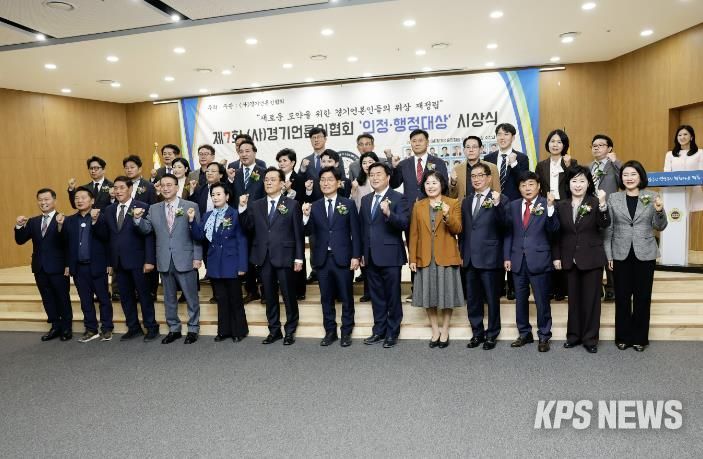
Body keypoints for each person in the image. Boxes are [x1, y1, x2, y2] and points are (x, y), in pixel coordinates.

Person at [604, 160, 668, 352]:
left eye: (633, 174)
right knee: (622, 297)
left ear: (640, 176)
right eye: (625, 175)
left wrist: (659, 210)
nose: (629, 178)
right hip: (620, 253)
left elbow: (660, 226)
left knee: (643, 297)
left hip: (645, 253)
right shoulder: (614, 198)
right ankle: (623, 337)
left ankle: (640, 338)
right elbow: (608, 229)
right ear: (621, 178)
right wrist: (609, 255)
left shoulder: (653, 196)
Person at [133, 174, 203, 345]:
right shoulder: (154, 208)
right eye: (163, 185)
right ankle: (174, 328)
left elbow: (196, 234)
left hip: (185, 258)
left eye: (169, 185)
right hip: (164, 259)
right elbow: (146, 229)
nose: (165, 188)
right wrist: (137, 219)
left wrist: (197, 257)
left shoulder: (190, 206)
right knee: (169, 298)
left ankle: (193, 328)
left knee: (191, 297)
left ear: (177, 187)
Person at [239, 167, 304, 345]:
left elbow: (298, 233)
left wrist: (299, 257)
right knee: (268, 296)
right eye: (266, 179)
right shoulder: (256, 204)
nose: (268, 182)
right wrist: (242, 208)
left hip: (285, 256)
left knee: (289, 296)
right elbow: (247, 227)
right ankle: (274, 330)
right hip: (263, 257)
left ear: (282, 184)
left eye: (272, 179)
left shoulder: (292, 204)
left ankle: (290, 330)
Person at [552, 166, 610, 353]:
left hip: (591, 258)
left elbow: (604, 224)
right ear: (568, 184)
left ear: (588, 183)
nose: (578, 185)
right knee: (574, 300)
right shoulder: (561, 205)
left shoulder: (595, 202)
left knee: (592, 301)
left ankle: (590, 339)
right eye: (574, 181)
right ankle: (573, 336)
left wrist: (603, 204)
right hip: (569, 258)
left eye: (582, 181)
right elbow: (556, 234)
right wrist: (556, 257)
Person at [302, 166, 361, 347]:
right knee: (326, 298)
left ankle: (346, 331)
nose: (325, 183)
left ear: (338, 183)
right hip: (322, 259)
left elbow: (355, 232)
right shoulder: (314, 206)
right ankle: (330, 331)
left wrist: (356, 256)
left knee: (346, 296)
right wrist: (305, 217)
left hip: (343, 257)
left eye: (329, 179)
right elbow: (307, 231)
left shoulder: (348, 204)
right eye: (322, 180)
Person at [388, 128, 448, 301]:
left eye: (420, 140)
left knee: (433, 249)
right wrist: (393, 168)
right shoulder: (404, 164)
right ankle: (417, 289)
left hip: (432, 211)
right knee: (413, 248)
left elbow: (443, 186)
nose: (417, 143)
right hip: (410, 213)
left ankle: (436, 288)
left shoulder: (438, 162)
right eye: (413, 141)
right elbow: (394, 183)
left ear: (427, 142)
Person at [503, 172, 559, 352]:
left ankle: (544, 335)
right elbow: (508, 233)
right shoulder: (513, 205)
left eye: (531, 184)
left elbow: (554, 230)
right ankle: (524, 333)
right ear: (519, 188)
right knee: (520, 300)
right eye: (523, 185)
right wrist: (507, 257)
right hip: (518, 259)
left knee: (542, 300)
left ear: (538, 186)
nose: (527, 188)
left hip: (539, 259)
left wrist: (550, 208)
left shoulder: (546, 204)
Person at [408, 171, 463, 348]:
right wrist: (412, 258)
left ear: (442, 185)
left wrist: (447, 215)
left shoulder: (452, 203)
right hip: (424, 256)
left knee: (447, 295)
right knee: (428, 294)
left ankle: (445, 330)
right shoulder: (419, 205)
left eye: (434, 182)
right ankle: (435, 330)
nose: (430, 186)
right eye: (427, 183)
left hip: (446, 255)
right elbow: (413, 233)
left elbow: (458, 229)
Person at [190, 183, 249, 342]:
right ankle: (224, 331)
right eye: (213, 195)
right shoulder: (207, 215)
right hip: (215, 263)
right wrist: (192, 221)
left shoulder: (235, 214)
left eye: (218, 194)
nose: (215, 197)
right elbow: (199, 236)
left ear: (227, 196)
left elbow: (242, 241)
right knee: (221, 298)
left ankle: (239, 331)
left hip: (232, 262)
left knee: (235, 299)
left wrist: (242, 266)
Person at [359, 162, 410, 348]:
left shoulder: (398, 197)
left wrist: (389, 213)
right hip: (370, 255)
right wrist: (361, 253)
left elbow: (404, 223)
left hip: (390, 255)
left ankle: (392, 332)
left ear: (388, 177)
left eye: (379, 174)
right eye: (372, 174)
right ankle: (379, 330)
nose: (374, 177)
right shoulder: (366, 199)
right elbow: (363, 229)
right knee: (376, 296)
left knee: (392, 296)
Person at [103, 176, 159, 342]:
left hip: (139, 260)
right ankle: (133, 327)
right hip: (118, 261)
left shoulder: (142, 206)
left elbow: (149, 235)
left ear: (130, 189)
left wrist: (149, 260)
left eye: (122, 187)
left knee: (144, 295)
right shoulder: (109, 210)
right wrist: (109, 262)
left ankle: (151, 327)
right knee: (125, 296)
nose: (118, 191)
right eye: (115, 188)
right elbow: (109, 238)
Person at [14, 189, 73, 341]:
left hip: (58, 267)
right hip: (39, 267)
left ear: (54, 201)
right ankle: (55, 326)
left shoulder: (63, 219)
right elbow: (20, 240)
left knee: (62, 297)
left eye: (46, 199)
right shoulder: (33, 221)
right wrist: (19, 226)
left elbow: (67, 243)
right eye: (40, 199)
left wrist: (68, 265)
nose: (43, 202)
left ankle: (66, 327)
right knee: (47, 298)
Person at [461, 163, 508, 350]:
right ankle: (477, 333)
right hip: (470, 258)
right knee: (473, 299)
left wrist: (497, 205)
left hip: (490, 257)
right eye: (473, 176)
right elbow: (465, 231)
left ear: (489, 178)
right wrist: (462, 253)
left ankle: (492, 334)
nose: (476, 179)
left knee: (492, 298)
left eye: (481, 175)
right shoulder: (466, 201)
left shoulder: (500, 198)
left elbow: (506, 225)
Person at [59, 187, 113, 343]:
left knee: (103, 298)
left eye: (83, 197)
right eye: (77, 198)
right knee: (85, 300)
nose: (79, 200)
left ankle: (107, 328)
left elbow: (107, 239)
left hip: (98, 265)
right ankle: (91, 329)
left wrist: (109, 263)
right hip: (78, 267)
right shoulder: (69, 220)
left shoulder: (101, 217)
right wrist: (60, 226)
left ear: (92, 200)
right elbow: (65, 244)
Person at [484, 123, 529, 300]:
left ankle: (512, 285)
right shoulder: (488, 158)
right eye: (499, 134)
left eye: (506, 134)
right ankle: (498, 285)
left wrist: (514, 164)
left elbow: (524, 182)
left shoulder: (522, 158)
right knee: (495, 244)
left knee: (512, 244)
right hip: (492, 205)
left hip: (513, 205)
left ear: (513, 137)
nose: (502, 137)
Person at [535, 129, 576, 302]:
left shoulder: (571, 162)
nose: (555, 144)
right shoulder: (541, 165)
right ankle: (551, 287)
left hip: (566, 206)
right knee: (550, 243)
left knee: (565, 243)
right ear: (548, 144)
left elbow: (574, 183)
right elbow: (537, 187)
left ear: (564, 145)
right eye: (552, 141)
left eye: (559, 142)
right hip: (548, 206)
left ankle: (563, 287)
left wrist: (568, 166)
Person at [227, 140, 267, 303]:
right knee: (245, 255)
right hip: (240, 221)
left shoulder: (263, 172)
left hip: (260, 221)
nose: (244, 154)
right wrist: (229, 181)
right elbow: (229, 197)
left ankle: (266, 291)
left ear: (254, 152)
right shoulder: (234, 174)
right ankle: (251, 291)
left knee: (262, 256)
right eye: (241, 151)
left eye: (247, 151)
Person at [589, 134, 621, 302]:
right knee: (594, 248)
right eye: (594, 145)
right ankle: (596, 286)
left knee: (609, 249)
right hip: (590, 212)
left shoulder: (614, 165)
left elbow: (624, 182)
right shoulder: (588, 167)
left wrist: (616, 162)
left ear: (609, 148)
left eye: (601, 145)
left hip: (610, 211)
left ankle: (612, 287)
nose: (596, 147)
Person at [277, 148, 308, 300]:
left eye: (285, 160)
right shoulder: (276, 179)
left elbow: (302, 200)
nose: (281, 163)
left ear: (293, 162)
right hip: (278, 223)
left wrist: (289, 191)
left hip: (295, 221)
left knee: (298, 253)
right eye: (279, 161)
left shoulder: (300, 179)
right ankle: (284, 287)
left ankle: (300, 290)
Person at [350, 151, 380, 302]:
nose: (367, 165)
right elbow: (353, 203)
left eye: (370, 162)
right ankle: (368, 291)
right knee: (365, 258)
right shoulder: (357, 182)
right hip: (362, 224)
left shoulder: (380, 180)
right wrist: (353, 190)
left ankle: (378, 290)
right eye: (364, 163)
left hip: (379, 224)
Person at [447, 135, 501, 201]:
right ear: (464, 150)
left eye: (474, 147)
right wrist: (453, 183)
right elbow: (452, 196)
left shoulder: (492, 168)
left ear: (481, 149)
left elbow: (497, 193)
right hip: (464, 206)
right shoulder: (457, 169)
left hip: (486, 206)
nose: (471, 150)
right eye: (468, 147)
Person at [664, 125, 703, 211]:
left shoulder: (700, 153)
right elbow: (667, 175)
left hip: (695, 192)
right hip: (676, 192)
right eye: (679, 135)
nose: (682, 137)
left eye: (685, 134)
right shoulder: (670, 154)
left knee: (695, 215)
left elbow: (701, 173)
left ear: (691, 137)